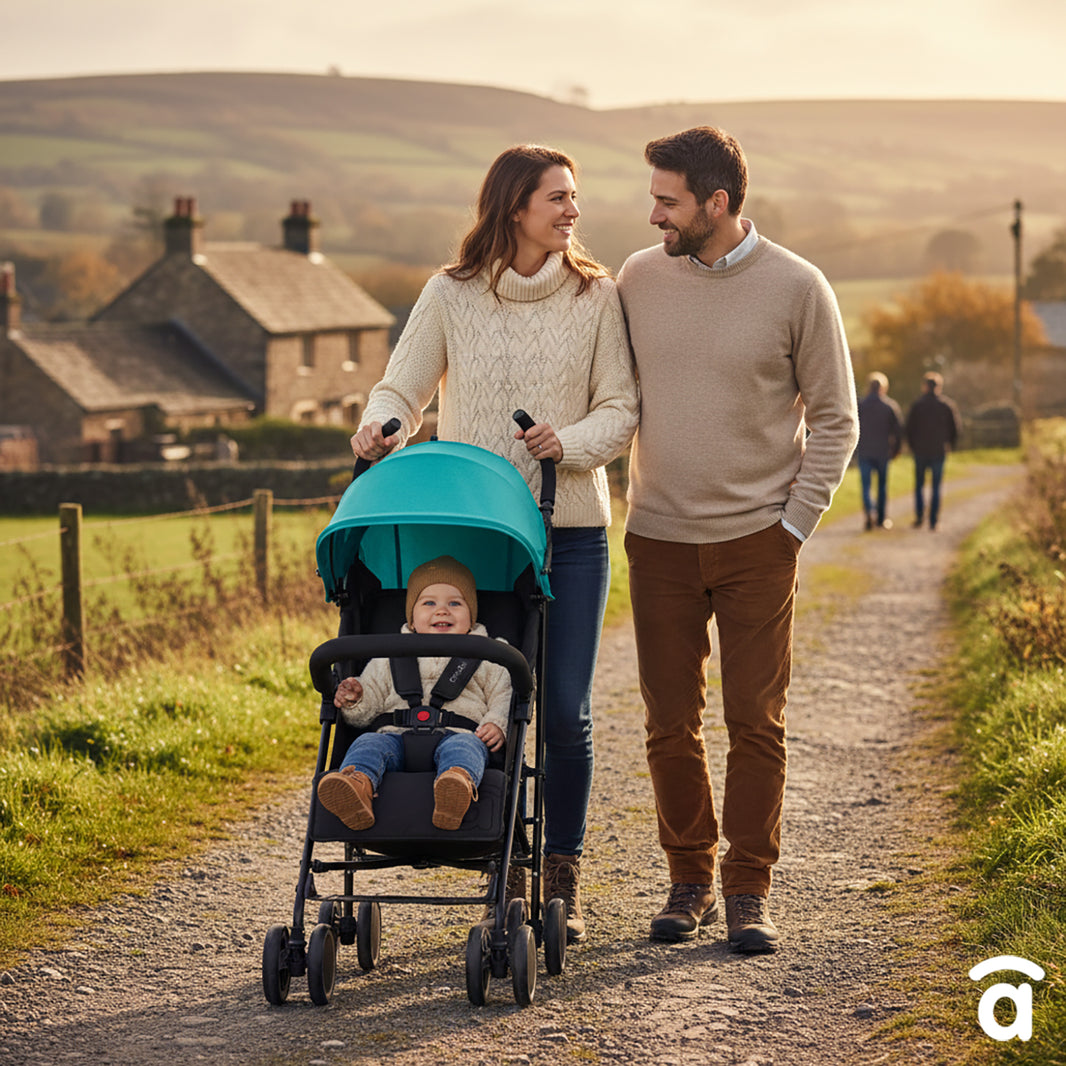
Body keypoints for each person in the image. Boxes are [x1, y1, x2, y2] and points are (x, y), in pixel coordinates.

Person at [349, 144, 640, 941]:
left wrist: (568, 442)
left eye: (575, 197)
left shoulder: (596, 295)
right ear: (515, 205)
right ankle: (499, 856)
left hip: (570, 530)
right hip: (476, 535)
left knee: (567, 711)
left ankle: (560, 873)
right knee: (484, 700)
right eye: (558, 197)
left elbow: (621, 407)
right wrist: (381, 429)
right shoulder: (450, 294)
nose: (572, 210)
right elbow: (401, 387)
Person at [616, 126, 858, 954]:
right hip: (657, 538)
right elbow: (610, 392)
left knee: (756, 720)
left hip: (760, 540)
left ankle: (749, 887)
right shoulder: (639, 279)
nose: (653, 216)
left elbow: (836, 417)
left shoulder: (798, 286)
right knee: (668, 720)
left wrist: (794, 525)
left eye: (667, 200)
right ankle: (690, 879)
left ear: (717, 204)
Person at [317, 556, 511, 832]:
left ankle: (455, 787)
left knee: (465, 750)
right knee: (368, 744)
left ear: (472, 616)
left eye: (455, 603)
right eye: (429, 603)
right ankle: (356, 785)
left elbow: (505, 694)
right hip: (394, 736)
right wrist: (356, 698)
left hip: (459, 733)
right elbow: (370, 702)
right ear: (412, 616)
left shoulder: (490, 653)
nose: (442, 611)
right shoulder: (390, 654)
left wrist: (496, 723)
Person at [905, 371, 962, 531]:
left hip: (920, 451)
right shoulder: (947, 406)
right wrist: (950, 445)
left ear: (924, 387)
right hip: (939, 450)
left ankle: (919, 517)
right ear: (939, 387)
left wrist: (912, 446)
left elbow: (908, 429)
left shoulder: (917, 405)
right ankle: (933, 520)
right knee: (936, 487)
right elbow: (956, 429)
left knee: (919, 485)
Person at [855, 372, 903, 530]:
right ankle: (881, 519)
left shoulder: (860, 406)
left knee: (866, 487)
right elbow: (898, 431)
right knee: (882, 487)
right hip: (883, 452)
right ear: (883, 388)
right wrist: (896, 450)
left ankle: (869, 511)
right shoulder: (890, 406)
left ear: (869, 387)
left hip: (864, 451)